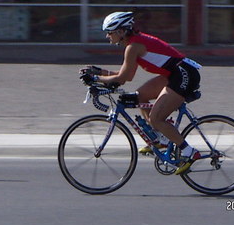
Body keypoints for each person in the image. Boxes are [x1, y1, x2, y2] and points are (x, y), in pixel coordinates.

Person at [80, 11, 202, 175]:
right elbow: (126, 74)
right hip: (174, 74)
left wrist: (96, 77)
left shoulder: (133, 47)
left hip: (183, 74)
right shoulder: (133, 45)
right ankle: (161, 139)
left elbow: (123, 78)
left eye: (109, 32)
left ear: (121, 31)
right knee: (140, 96)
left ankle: (189, 152)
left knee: (156, 118)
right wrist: (100, 71)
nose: (107, 36)